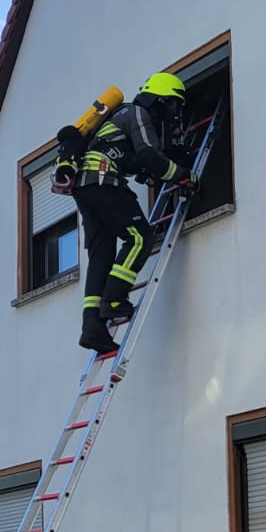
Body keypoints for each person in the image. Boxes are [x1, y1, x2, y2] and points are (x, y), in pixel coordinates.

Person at [70, 72, 196, 352]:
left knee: (102, 254)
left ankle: (92, 328)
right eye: (174, 104)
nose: (175, 112)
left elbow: (136, 160)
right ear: (161, 99)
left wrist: (169, 159)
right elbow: (148, 154)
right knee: (139, 237)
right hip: (104, 180)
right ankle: (115, 299)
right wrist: (183, 175)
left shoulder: (117, 120)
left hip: (85, 187)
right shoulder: (136, 112)